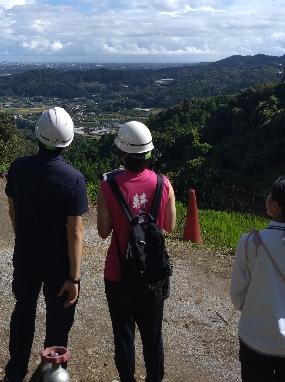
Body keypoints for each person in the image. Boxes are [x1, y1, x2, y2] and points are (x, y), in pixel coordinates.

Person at [1, 107, 88, 382]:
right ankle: (51, 376)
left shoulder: (18, 168)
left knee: (23, 313)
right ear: (68, 141)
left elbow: (13, 211)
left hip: (26, 256)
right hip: (59, 264)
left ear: (37, 135)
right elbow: (75, 232)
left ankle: (14, 374)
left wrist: (24, 239)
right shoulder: (73, 179)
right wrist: (74, 277)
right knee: (57, 326)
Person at [97, 121, 176, 382]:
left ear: (121, 154)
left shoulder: (108, 186)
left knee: (124, 334)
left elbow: (103, 231)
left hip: (119, 272)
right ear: (149, 154)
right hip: (153, 271)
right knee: (153, 336)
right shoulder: (164, 184)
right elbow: (169, 226)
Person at [230, 175, 285, 382]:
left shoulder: (249, 242)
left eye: (270, 194)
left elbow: (237, 293)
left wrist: (253, 309)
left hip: (255, 337)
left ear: (275, 206)